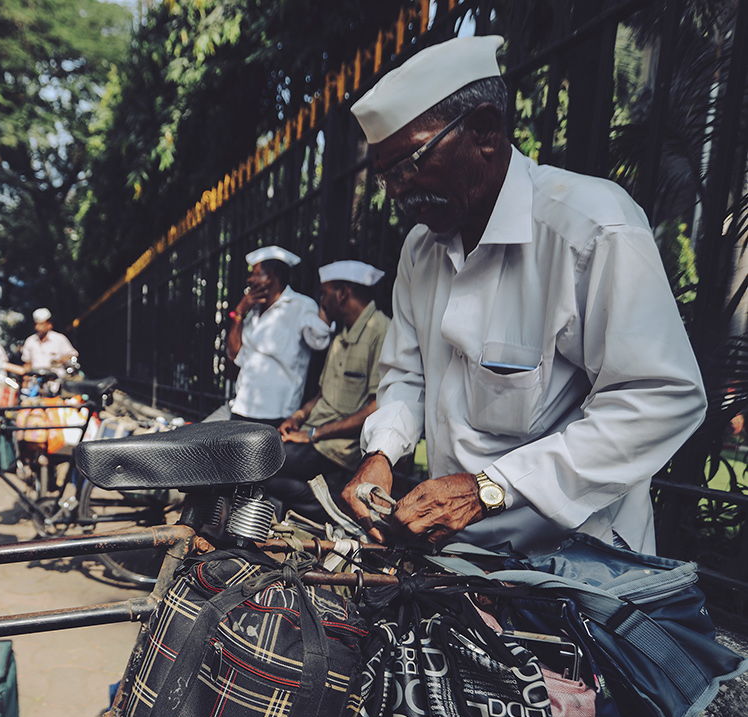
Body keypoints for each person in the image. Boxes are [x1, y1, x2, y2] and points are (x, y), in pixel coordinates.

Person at [341, 35, 706, 557]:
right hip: (459, 555)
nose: (397, 190)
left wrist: (491, 489)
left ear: (485, 130)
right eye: (386, 177)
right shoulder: (420, 252)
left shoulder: (592, 229)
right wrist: (381, 452)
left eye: (410, 164)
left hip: (574, 560)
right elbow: (407, 374)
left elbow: (662, 397)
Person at [266, 260, 390, 518]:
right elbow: (322, 394)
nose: (321, 302)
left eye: (324, 294)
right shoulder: (342, 333)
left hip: (335, 447)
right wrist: (297, 417)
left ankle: (332, 502)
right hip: (315, 437)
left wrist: (313, 434)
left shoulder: (381, 331)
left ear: (342, 293)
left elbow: (376, 408)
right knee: (259, 459)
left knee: (263, 464)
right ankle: (323, 502)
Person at [222, 246, 333, 426]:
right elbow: (234, 353)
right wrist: (239, 312)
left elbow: (319, 341)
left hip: (275, 414)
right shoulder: (253, 310)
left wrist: (325, 299)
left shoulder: (301, 305)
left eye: (254, 274)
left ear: (269, 276)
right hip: (241, 407)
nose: (249, 279)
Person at [19, 308, 78, 374]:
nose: (37, 327)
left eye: (41, 324)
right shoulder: (30, 341)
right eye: (36, 324)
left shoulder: (59, 339)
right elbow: (27, 363)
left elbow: (72, 354)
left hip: (56, 376)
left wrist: (62, 360)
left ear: (49, 324)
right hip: (35, 376)